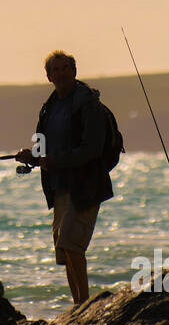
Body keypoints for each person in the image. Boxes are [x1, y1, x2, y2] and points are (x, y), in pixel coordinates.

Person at [16, 50, 113, 307]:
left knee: (72, 242)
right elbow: (42, 148)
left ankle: (84, 304)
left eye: (64, 68)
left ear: (74, 71)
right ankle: (78, 304)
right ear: (48, 76)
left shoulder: (87, 104)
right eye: (55, 70)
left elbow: (91, 149)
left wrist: (54, 161)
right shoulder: (48, 108)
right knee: (65, 249)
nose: (60, 74)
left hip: (86, 184)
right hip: (58, 187)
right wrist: (31, 156)